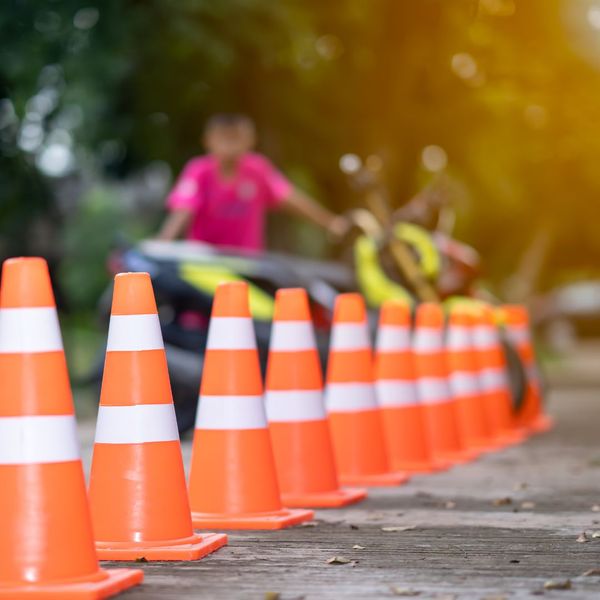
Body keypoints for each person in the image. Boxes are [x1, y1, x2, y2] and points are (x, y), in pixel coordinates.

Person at [158, 113, 349, 251]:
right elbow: (183, 210)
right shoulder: (198, 170)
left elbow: (291, 198)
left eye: (236, 138)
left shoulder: (258, 169)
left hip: (247, 266)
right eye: (224, 137)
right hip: (205, 265)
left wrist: (331, 223)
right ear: (208, 140)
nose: (230, 145)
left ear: (250, 140)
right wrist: (163, 243)